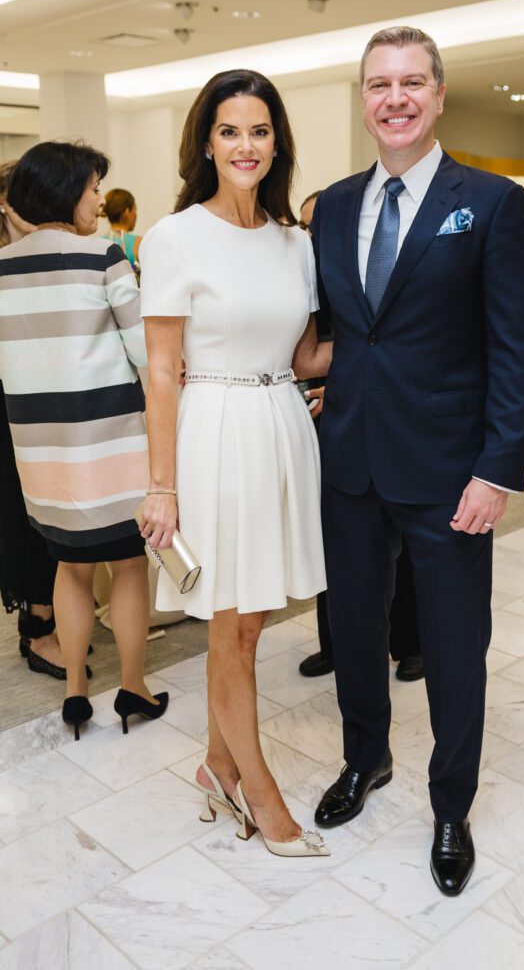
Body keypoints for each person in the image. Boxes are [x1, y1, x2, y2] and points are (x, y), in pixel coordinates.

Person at [309, 26, 524, 896]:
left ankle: (451, 805)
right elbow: (334, 334)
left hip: (450, 471)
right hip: (351, 464)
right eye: (379, 84)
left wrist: (496, 470)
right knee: (355, 632)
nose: (395, 98)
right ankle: (364, 760)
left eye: (412, 82)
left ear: (439, 94)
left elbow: (517, 347)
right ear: (363, 99)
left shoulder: (487, 202)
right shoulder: (330, 206)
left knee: (452, 647)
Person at [139, 69, 331, 858]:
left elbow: (306, 354)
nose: (244, 145)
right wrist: (161, 485)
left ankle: (216, 764)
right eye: (228, 131)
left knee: (256, 615)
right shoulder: (174, 235)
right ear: (206, 144)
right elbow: (160, 368)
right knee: (236, 627)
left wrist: (397, 335)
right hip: (213, 430)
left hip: (281, 423)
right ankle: (260, 793)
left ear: (276, 140)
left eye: (258, 130)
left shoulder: (296, 242)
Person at [0, 142, 167, 740]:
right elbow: (147, 358)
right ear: (68, 192)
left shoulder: (3, 265)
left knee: (69, 568)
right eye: (94, 188)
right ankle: (132, 687)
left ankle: (75, 693)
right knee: (125, 566)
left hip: (41, 455)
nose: (99, 199)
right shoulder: (102, 257)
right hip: (111, 444)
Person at [298, 191, 424, 683]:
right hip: (316, 414)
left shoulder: (365, 269)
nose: (313, 236)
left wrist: (344, 379)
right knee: (335, 534)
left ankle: (411, 643)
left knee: (403, 538)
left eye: (318, 227)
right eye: (306, 227)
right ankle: (335, 643)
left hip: (375, 407)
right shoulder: (305, 273)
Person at [0, 162, 66, 679]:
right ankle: (37, 628)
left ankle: (50, 619)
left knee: (48, 514)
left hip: (45, 404)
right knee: (21, 518)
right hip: (8, 408)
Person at [101, 188, 142, 269]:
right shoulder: (138, 243)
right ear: (127, 212)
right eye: (135, 209)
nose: (136, 215)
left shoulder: (98, 242)